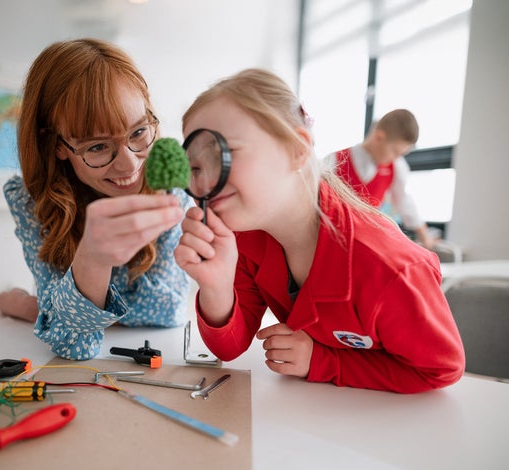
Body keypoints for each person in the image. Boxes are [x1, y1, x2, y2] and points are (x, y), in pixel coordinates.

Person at [174, 68, 464, 393]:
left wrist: (323, 361)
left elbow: (440, 369)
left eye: (226, 154)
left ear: (296, 150)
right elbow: (229, 347)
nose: (209, 181)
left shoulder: (390, 268)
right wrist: (216, 286)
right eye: (196, 167)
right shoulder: (245, 236)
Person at [0, 38, 191, 360]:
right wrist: (92, 261)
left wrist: (41, 309)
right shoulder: (31, 203)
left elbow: (168, 311)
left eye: (139, 132)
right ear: (57, 145)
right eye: (98, 147)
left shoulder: (171, 192)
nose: (130, 165)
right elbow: (74, 345)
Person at [325, 109, 437, 249]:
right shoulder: (334, 161)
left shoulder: (396, 167)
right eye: (395, 151)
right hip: (335, 240)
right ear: (379, 137)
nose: (396, 158)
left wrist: (424, 236)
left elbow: (404, 201)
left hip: (368, 242)